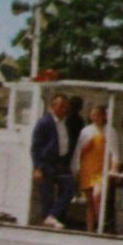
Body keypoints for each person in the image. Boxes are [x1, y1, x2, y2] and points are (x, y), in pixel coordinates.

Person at [30, 93, 75, 229]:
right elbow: (35, 146)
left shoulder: (63, 122)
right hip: (46, 162)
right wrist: (37, 167)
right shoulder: (44, 122)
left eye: (66, 107)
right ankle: (47, 219)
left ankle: (51, 216)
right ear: (52, 106)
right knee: (47, 194)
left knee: (70, 188)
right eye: (61, 106)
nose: (64, 109)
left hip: (60, 162)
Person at [73, 103, 112, 232]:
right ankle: (90, 229)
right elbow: (79, 151)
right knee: (89, 202)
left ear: (104, 116)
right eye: (93, 114)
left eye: (98, 115)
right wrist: (76, 168)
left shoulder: (109, 130)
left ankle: (101, 224)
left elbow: (113, 152)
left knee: (97, 196)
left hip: (101, 169)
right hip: (87, 168)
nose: (96, 117)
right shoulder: (86, 131)